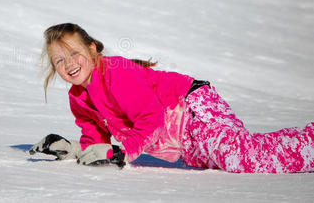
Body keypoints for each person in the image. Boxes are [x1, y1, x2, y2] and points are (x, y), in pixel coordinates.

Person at [29, 23, 314, 173]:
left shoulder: (115, 72)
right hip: (181, 142)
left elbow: (152, 117)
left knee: (240, 157)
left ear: (92, 50)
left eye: (74, 54)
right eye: (59, 61)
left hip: (192, 109)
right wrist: (75, 150)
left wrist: (123, 153)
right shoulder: (78, 96)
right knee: (230, 160)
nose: (69, 64)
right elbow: (97, 139)